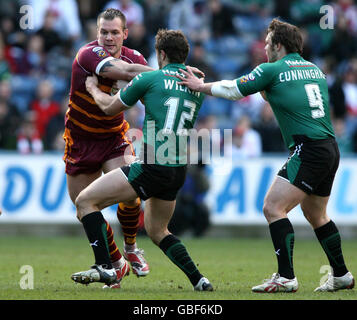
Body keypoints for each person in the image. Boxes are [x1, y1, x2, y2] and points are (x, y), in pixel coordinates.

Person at [178, 18, 355, 293]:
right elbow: (287, 97)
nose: (264, 46)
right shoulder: (315, 70)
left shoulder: (272, 69)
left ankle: (286, 277)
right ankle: (341, 274)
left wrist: (199, 86)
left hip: (307, 148)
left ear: (279, 45)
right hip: (329, 147)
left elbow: (234, 90)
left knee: (273, 207)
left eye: (268, 42)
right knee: (316, 214)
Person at [70, 29, 213, 291]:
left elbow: (109, 106)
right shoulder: (197, 88)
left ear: (160, 54)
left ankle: (105, 267)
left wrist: (92, 88)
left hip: (151, 165)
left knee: (85, 203)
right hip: (178, 168)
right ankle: (199, 280)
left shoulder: (150, 80)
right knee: (159, 231)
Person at [64, 8, 153, 289]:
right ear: (97, 33)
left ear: (125, 34)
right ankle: (115, 264)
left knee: (130, 193)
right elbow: (124, 72)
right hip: (80, 141)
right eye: (104, 31)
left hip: (114, 139)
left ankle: (130, 247)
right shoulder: (88, 54)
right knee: (84, 209)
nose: (108, 37)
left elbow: (150, 96)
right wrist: (164, 73)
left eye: (115, 32)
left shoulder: (136, 57)